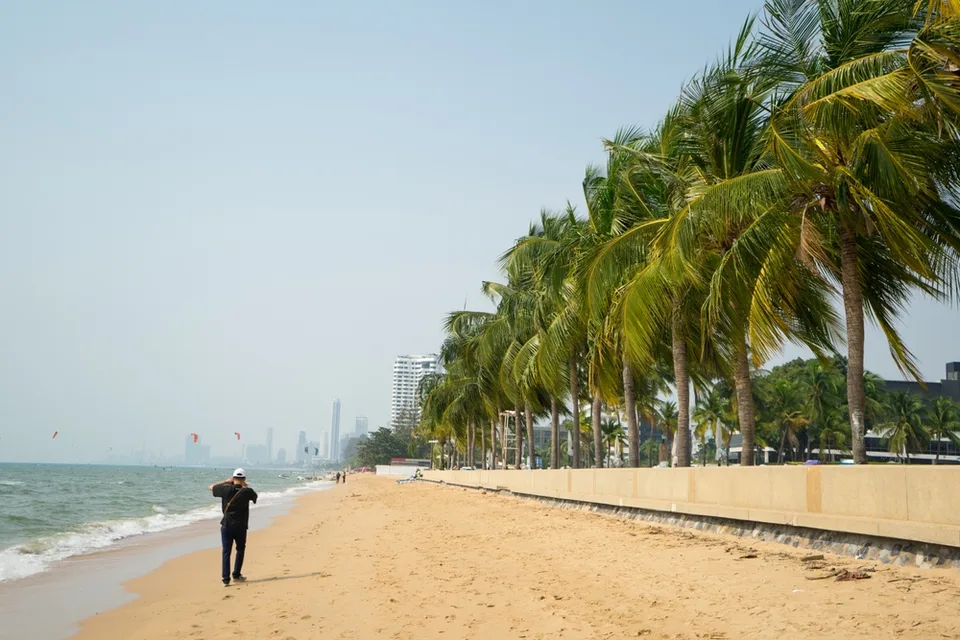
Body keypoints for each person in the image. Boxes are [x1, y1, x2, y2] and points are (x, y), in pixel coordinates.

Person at [210, 468, 258, 586]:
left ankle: (225, 579)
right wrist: (245, 485)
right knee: (240, 549)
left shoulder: (225, 489)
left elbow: (211, 487)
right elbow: (255, 497)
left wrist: (225, 482)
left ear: (233, 478)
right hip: (241, 526)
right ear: (244, 479)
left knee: (226, 551)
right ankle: (236, 575)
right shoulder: (247, 491)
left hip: (227, 525)